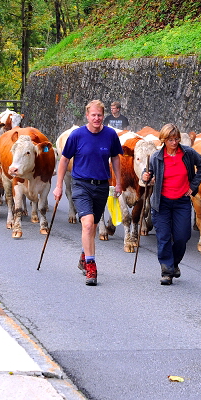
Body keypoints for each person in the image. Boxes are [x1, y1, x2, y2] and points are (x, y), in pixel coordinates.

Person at [53, 100, 122, 286]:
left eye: (99, 115)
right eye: (93, 115)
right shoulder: (77, 135)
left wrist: (119, 182)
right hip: (81, 184)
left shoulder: (110, 135)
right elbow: (64, 160)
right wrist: (59, 185)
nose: (97, 118)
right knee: (88, 224)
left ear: (103, 116)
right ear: (87, 116)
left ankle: (84, 256)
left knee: (93, 225)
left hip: (101, 186)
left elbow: (115, 158)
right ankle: (91, 266)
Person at [140, 124, 201, 285]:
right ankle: (167, 271)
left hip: (181, 201)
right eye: (170, 139)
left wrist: (193, 186)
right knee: (163, 237)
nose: (175, 142)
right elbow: (146, 174)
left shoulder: (187, 153)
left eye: (176, 139)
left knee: (182, 237)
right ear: (164, 140)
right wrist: (146, 177)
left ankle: (174, 263)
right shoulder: (156, 157)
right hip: (161, 202)